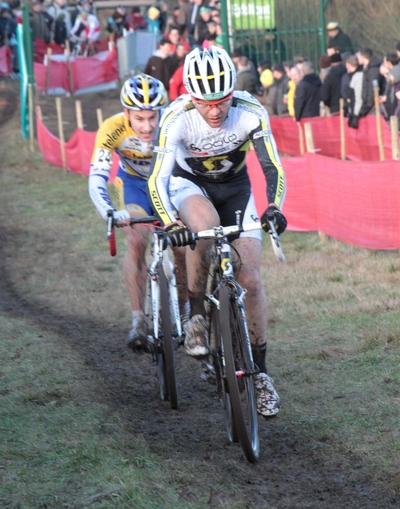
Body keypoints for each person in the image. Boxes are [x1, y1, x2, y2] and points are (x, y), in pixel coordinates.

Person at [147, 47, 287, 417]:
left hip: (236, 188)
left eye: (222, 101)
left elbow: (271, 166)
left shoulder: (250, 111)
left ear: (232, 92)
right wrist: (172, 221)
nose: (214, 110)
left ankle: (260, 374)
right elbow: (157, 179)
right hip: (188, 185)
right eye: (205, 103)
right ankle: (196, 315)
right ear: (191, 97)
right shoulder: (176, 117)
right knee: (205, 229)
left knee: (251, 280)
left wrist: (274, 208)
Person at [88, 75, 169, 351]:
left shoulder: (172, 121)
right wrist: (110, 211)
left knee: (183, 242)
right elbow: (97, 176)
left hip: (167, 183)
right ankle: (139, 320)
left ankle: (187, 312)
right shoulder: (112, 127)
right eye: (139, 118)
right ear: (126, 114)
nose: (147, 126)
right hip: (133, 184)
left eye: (152, 117)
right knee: (136, 241)